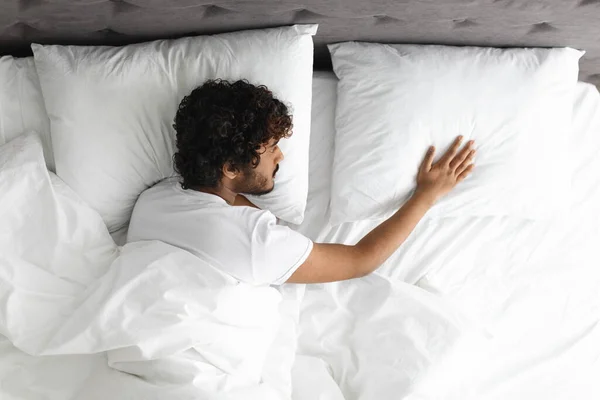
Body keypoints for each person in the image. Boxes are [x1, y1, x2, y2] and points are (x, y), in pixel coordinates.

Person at [127, 79, 475, 285]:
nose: (281, 158)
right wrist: (426, 195)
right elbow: (360, 260)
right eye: (272, 148)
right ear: (231, 167)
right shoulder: (257, 242)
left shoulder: (153, 201)